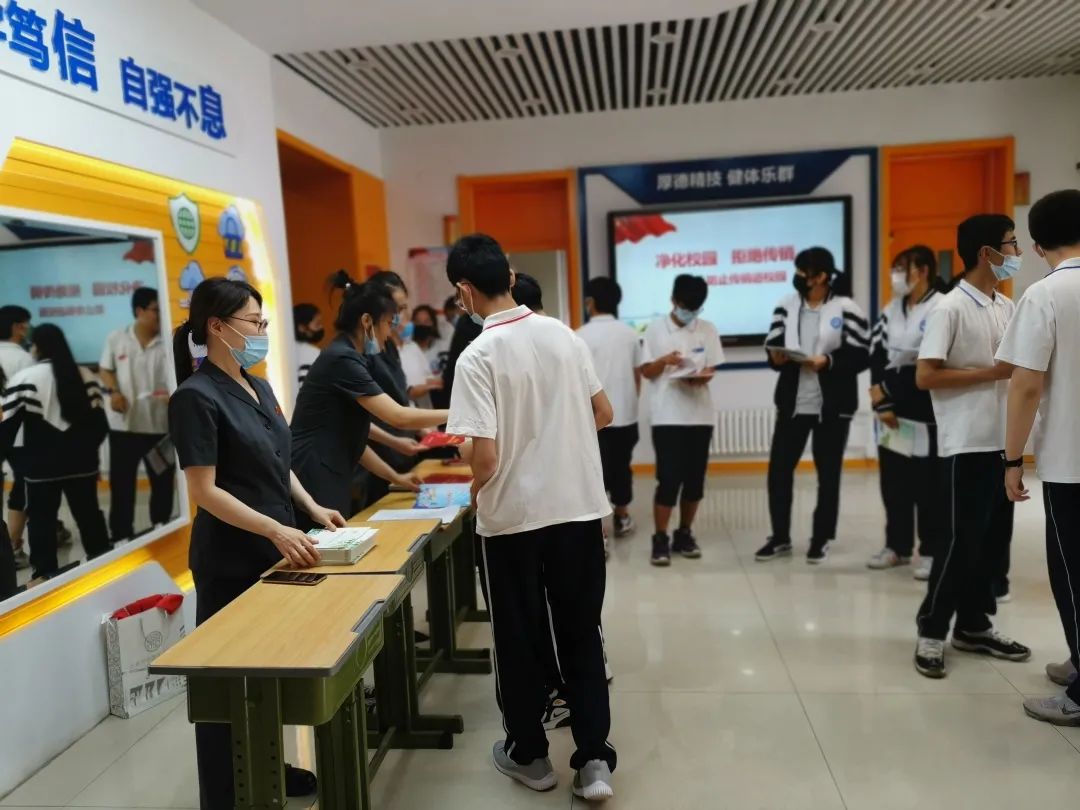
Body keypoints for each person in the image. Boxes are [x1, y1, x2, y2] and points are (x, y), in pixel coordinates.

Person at [446, 234, 616, 800]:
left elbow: (485, 457)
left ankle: (530, 756)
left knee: (517, 636)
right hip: (578, 510)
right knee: (582, 631)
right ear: (512, 279)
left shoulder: (477, 356)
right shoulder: (563, 335)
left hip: (513, 521)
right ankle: (594, 760)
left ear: (465, 291)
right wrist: (559, 443)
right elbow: (603, 411)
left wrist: (476, 481)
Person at [168, 277, 344, 808]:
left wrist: (311, 508)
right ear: (217, 327)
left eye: (263, 322)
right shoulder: (194, 397)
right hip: (230, 558)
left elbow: (277, 461)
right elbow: (204, 491)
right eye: (255, 322)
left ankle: (270, 765)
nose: (262, 331)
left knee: (269, 673)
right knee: (225, 682)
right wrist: (273, 527)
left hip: (275, 550)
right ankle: (224, 792)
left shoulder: (259, 387)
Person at [911, 213, 1030, 679]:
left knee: (992, 543)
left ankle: (975, 625)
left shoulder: (1006, 305)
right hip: (966, 443)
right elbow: (926, 375)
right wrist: (991, 373)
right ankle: (932, 629)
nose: (1016, 252)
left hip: (1002, 442)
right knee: (959, 543)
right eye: (1011, 244)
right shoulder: (950, 308)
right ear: (987, 253)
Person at [996, 189, 1080, 723]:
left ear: (1036, 245)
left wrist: (1012, 460)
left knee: (1072, 572)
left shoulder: (1046, 294)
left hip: (1072, 461)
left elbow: (1025, 386)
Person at [292, 282, 449, 524]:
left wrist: (396, 477)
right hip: (313, 471)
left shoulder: (351, 355)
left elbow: (354, 436)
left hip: (328, 468)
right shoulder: (342, 359)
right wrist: (460, 411)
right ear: (367, 321)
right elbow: (399, 417)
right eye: (388, 323)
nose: (389, 333)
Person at [757, 248, 870, 564]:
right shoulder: (786, 305)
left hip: (833, 406)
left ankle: (821, 539)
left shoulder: (846, 307)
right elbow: (774, 343)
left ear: (821, 276)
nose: (797, 277)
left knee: (828, 475)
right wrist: (776, 357)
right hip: (794, 403)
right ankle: (780, 537)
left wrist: (828, 361)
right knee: (779, 472)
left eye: (803, 272)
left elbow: (862, 354)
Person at [0, 324, 111, 579]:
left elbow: (8, 428)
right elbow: (99, 426)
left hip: (40, 467)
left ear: (36, 347)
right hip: (82, 464)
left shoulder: (26, 379)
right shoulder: (86, 375)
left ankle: (44, 575)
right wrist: (89, 457)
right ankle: (103, 566)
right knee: (90, 517)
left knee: (41, 521)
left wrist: (17, 461)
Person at [867, 247, 946, 578]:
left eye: (903, 268)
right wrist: (881, 401)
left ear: (923, 270)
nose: (896, 275)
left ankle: (931, 551)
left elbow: (931, 364)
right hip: (892, 414)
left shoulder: (941, 306)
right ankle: (897, 547)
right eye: (895, 268)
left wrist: (890, 386)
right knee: (894, 484)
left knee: (927, 487)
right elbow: (877, 356)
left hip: (925, 411)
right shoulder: (891, 310)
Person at [640, 274, 722, 566]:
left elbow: (711, 369)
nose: (690, 313)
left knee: (695, 481)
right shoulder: (655, 329)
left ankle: (684, 533)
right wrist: (663, 361)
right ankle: (660, 537)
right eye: (686, 307)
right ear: (673, 300)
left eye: (696, 309)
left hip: (700, 415)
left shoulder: (707, 329)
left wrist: (699, 377)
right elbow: (646, 371)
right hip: (667, 416)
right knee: (668, 479)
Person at [99, 287, 174, 543]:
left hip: (161, 428)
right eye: (156, 310)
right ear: (139, 311)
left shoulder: (169, 341)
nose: (160, 315)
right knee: (122, 484)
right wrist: (114, 392)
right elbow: (105, 369)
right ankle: (121, 536)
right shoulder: (116, 338)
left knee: (162, 483)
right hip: (124, 427)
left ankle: (162, 530)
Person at [577, 277, 642, 539]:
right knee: (622, 466)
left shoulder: (578, 335)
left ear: (590, 302)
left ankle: (599, 530)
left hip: (592, 418)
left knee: (594, 471)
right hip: (626, 414)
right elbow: (637, 376)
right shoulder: (630, 334)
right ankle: (622, 517)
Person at [0, 305, 33, 568]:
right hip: (20, 432)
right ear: (16, 327)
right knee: (23, 484)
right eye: (26, 324)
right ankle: (13, 546)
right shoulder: (24, 358)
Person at [400, 305, 444, 409]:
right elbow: (410, 391)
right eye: (418, 322)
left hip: (426, 409)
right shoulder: (394, 352)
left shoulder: (413, 347)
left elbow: (428, 377)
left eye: (426, 321)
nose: (422, 326)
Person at [293, 303, 323, 390]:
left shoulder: (284, 350)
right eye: (317, 324)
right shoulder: (312, 353)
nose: (321, 327)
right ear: (302, 327)